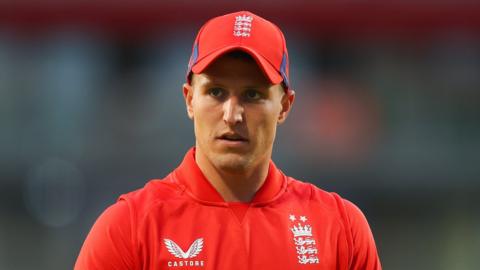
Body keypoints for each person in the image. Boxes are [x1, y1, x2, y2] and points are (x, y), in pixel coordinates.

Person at [75, 10, 381, 270]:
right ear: (189, 99)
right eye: (216, 92)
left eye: (252, 94)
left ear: (285, 106)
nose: (232, 115)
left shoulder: (340, 228)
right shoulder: (129, 229)